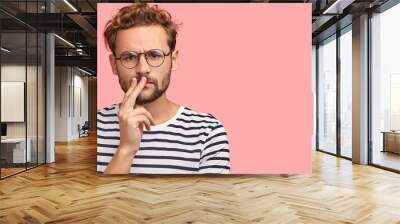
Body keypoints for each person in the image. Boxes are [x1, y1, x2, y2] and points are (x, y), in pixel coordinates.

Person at [97, 3, 230, 174]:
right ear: (113, 65)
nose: (143, 69)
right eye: (129, 57)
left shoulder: (208, 131)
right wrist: (126, 149)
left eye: (154, 55)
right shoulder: (96, 127)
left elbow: (211, 201)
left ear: (173, 60)